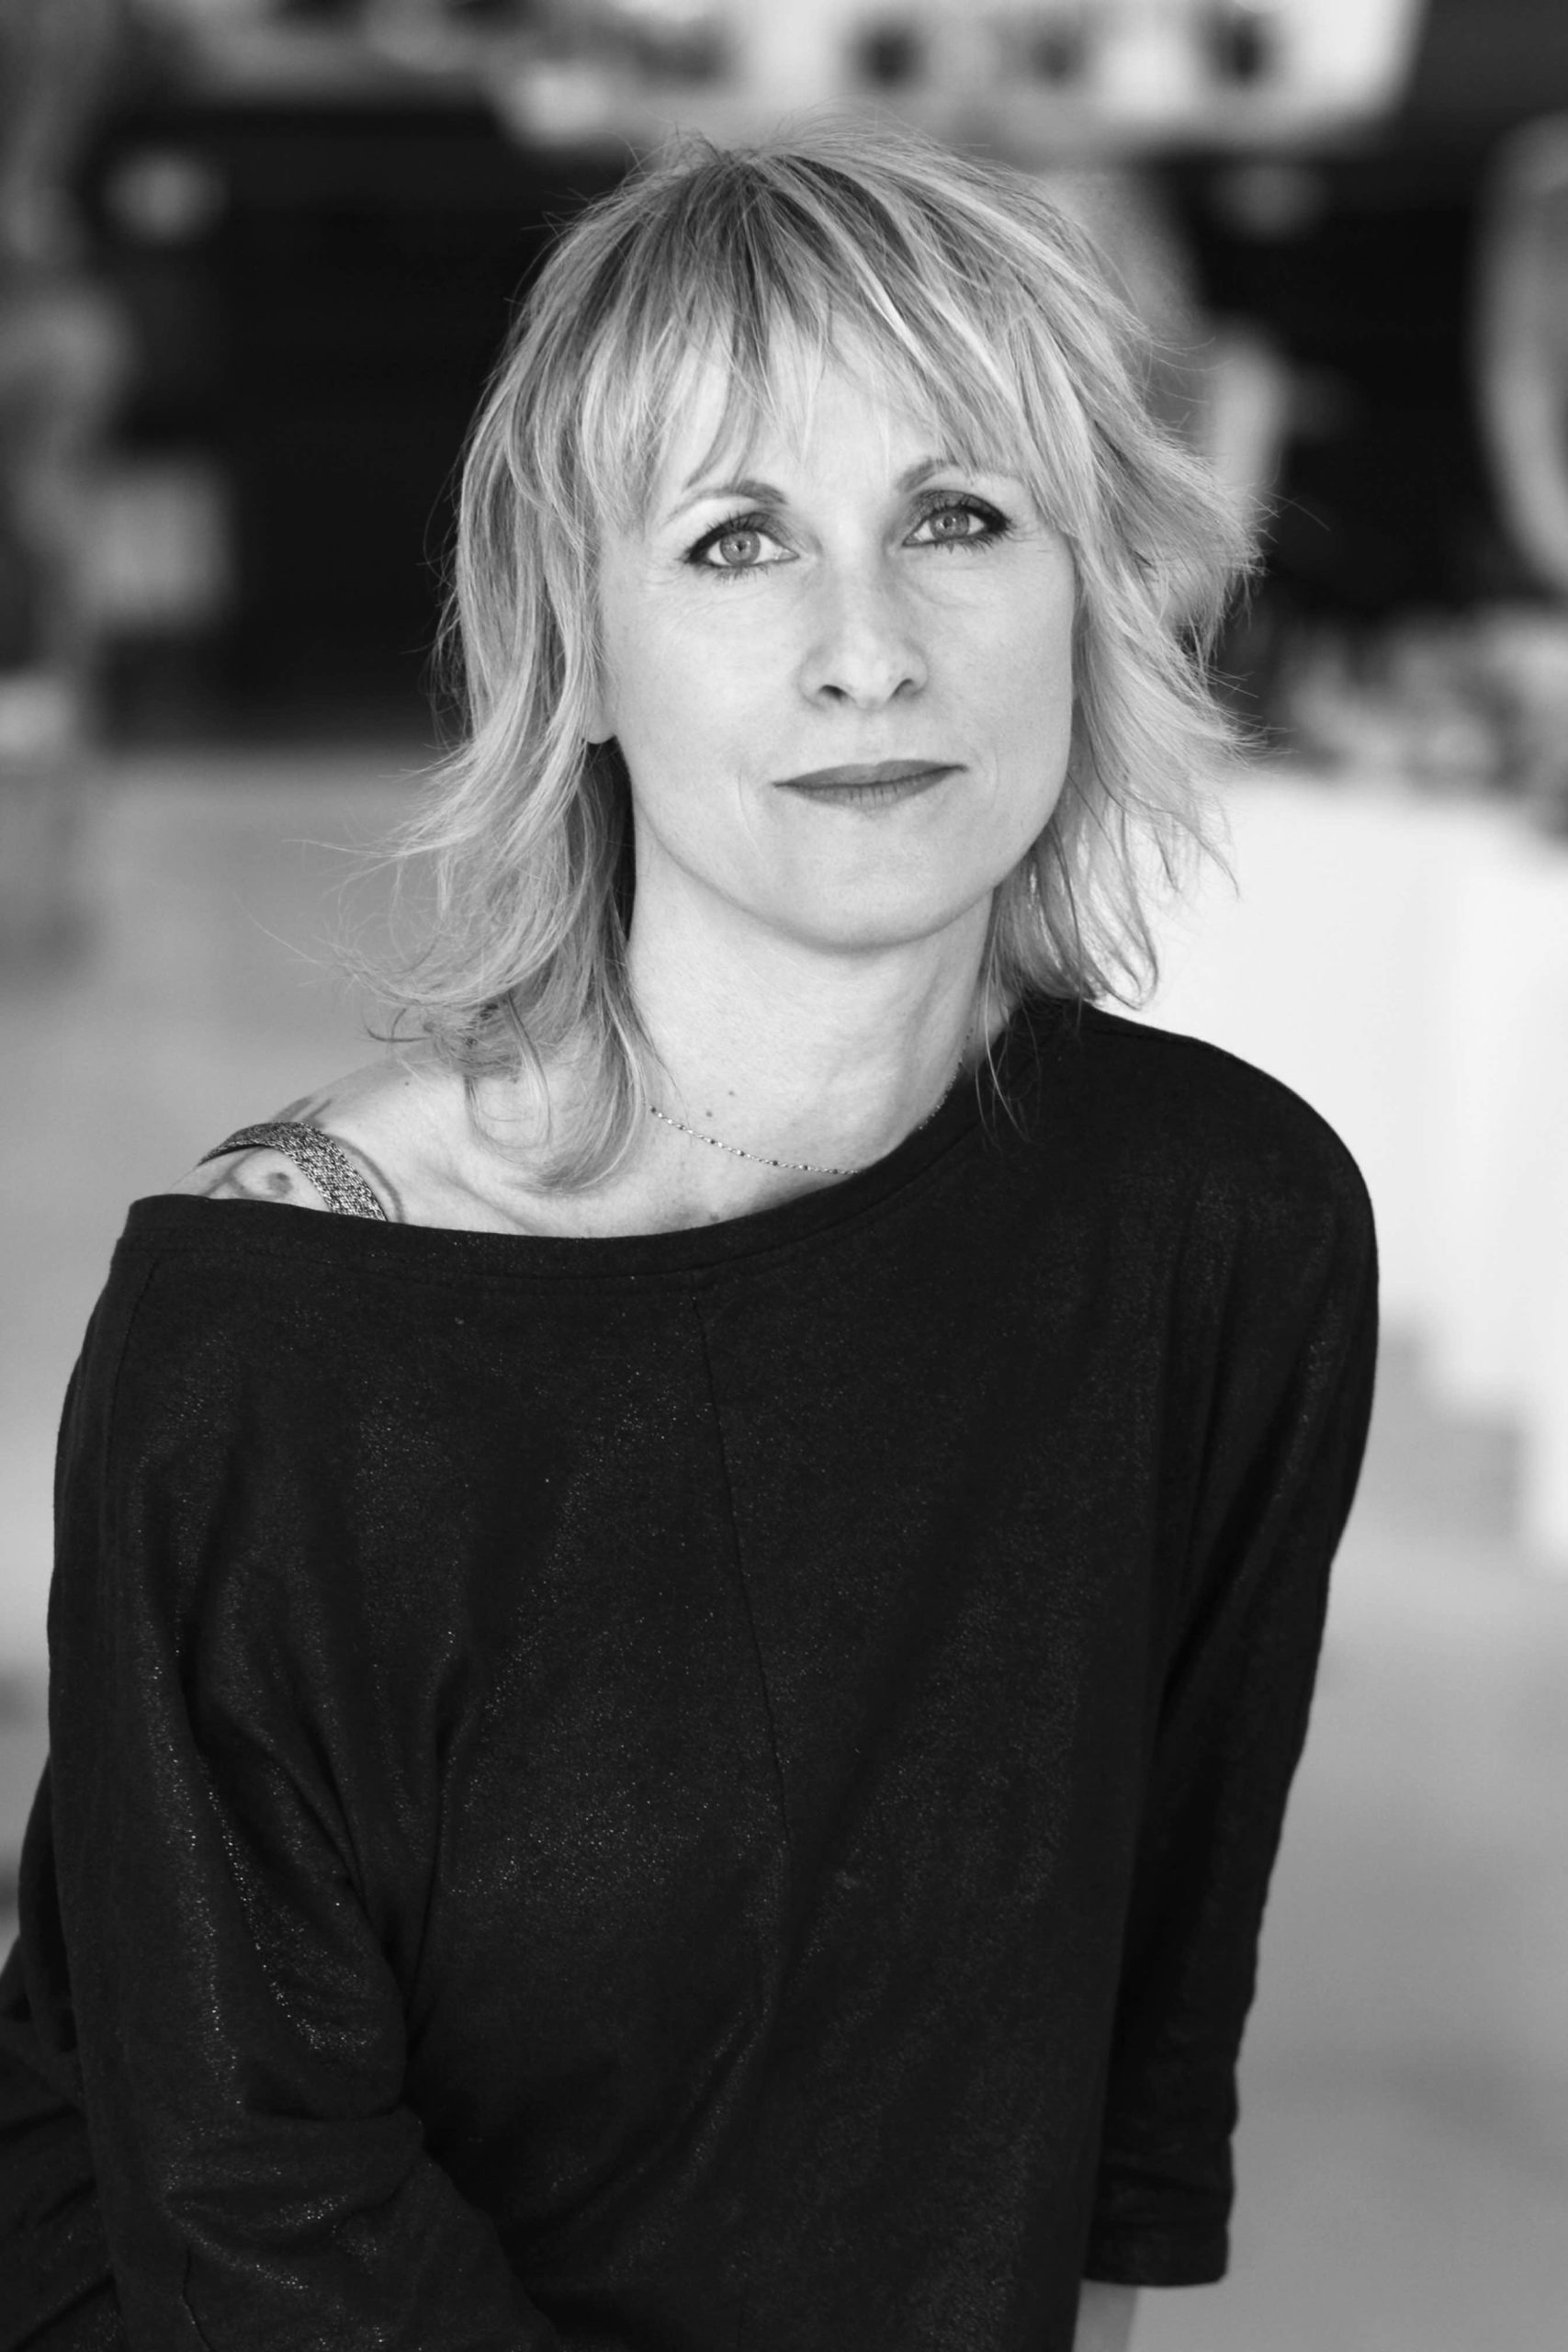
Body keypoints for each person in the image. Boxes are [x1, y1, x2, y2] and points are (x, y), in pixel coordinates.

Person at [0, 115, 1379, 2352]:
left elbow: (1131, 2044)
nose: (867, 649)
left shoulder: (1223, 1225)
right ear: (580, 647)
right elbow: (255, 2210)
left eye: (955, 517)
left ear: (1096, 590)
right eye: (736, 541)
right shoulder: (279, 1324)